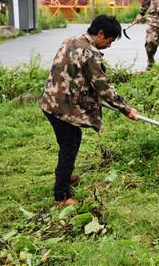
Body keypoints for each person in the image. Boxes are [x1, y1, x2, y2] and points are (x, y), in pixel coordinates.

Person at [40, 15, 139, 206]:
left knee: (73, 139)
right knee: (69, 146)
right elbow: (103, 86)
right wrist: (126, 109)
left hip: (51, 100)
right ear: (101, 33)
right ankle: (61, 195)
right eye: (109, 40)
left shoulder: (72, 40)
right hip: (61, 107)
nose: (109, 45)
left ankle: (65, 176)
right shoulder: (90, 54)